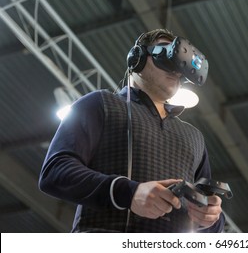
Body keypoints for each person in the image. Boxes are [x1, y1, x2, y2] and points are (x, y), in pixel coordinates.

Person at [38, 28, 225, 233]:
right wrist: (129, 193)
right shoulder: (100, 104)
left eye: (178, 60)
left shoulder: (195, 138)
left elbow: (205, 212)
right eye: (165, 54)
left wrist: (212, 219)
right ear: (137, 59)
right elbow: (55, 171)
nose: (175, 68)